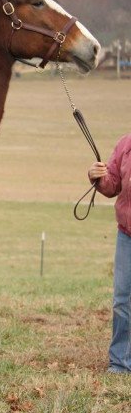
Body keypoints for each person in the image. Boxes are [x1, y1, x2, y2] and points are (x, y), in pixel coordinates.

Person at [88, 133, 131, 373]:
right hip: (127, 234)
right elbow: (112, 184)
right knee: (122, 300)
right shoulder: (126, 144)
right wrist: (98, 176)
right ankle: (121, 363)